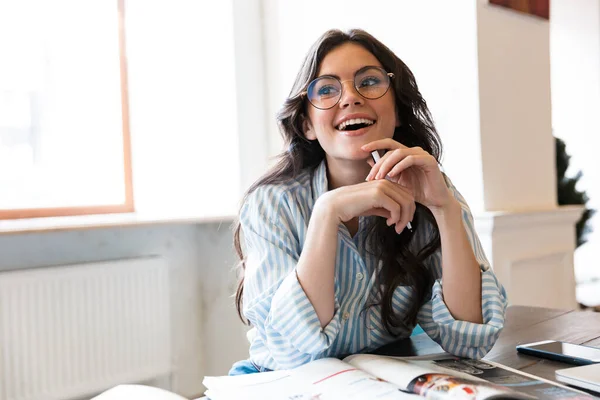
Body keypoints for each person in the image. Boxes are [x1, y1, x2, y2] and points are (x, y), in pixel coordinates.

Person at [229, 28, 508, 375]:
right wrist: (327, 213)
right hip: (280, 382)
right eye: (327, 89)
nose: (350, 98)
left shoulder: (430, 186)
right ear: (307, 125)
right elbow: (291, 354)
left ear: (399, 110)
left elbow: (471, 340)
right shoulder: (271, 205)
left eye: (370, 82)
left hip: (377, 381)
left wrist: (445, 209)